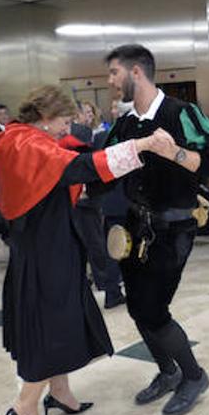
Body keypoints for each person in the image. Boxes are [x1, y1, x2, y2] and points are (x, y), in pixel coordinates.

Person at [0, 84, 175, 415]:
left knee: (62, 316)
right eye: (64, 120)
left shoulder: (24, 139)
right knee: (52, 321)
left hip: (51, 242)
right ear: (45, 117)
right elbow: (79, 167)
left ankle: (59, 392)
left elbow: (71, 162)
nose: (67, 127)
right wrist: (141, 145)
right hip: (45, 249)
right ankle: (25, 405)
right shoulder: (25, 144)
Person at [104, 44, 209, 415]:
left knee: (153, 309)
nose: (110, 81)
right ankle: (167, 371)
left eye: (113, 73)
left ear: (135, 72)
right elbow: (105, 163)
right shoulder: (125, 124)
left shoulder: (180, 112)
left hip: (173, 229)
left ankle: (193, 375)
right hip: (135, 228)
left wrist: (174, 154)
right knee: (138, 309)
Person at [71, 101, 124, 307]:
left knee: (98, 243)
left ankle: (107, 286)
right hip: (100, 198)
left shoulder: (101, 134)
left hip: (94, 198)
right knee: (101, 245)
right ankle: (110, 287)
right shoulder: (88, 135)